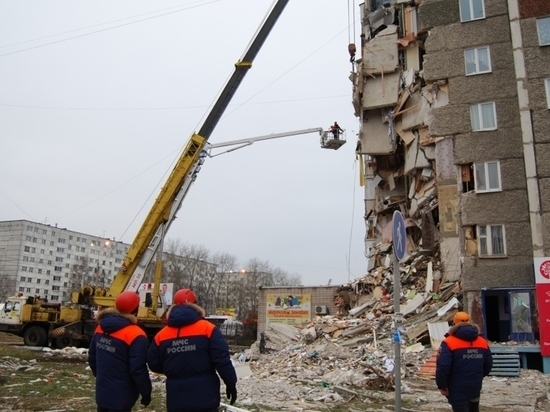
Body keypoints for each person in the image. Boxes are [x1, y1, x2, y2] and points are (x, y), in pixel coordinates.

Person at [147, 288, 237, 412]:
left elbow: (153, 364)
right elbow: (222, 361)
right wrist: (230, 383)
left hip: (176, 399)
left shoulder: (161, 335)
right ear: (194, 304)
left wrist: (174, 368)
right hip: (205, 397)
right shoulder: (208, 329)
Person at [88, 291, 152, 412]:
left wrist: (102, 377)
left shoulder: (101, 327)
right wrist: (146, 392)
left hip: (102, 390)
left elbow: (92, 357)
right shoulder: (136, 334)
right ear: (136, 309)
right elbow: (137, 369)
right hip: (123, 394)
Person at [436, 311, 493, 412]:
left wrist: (442, 385)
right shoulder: (482, 341)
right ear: (469, 321)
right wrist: (477, 376)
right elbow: (488, 364)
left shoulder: (449, 342)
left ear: (454, 323)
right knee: (474, 409)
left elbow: (443, 366)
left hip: (456, 386)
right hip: (475, 385)